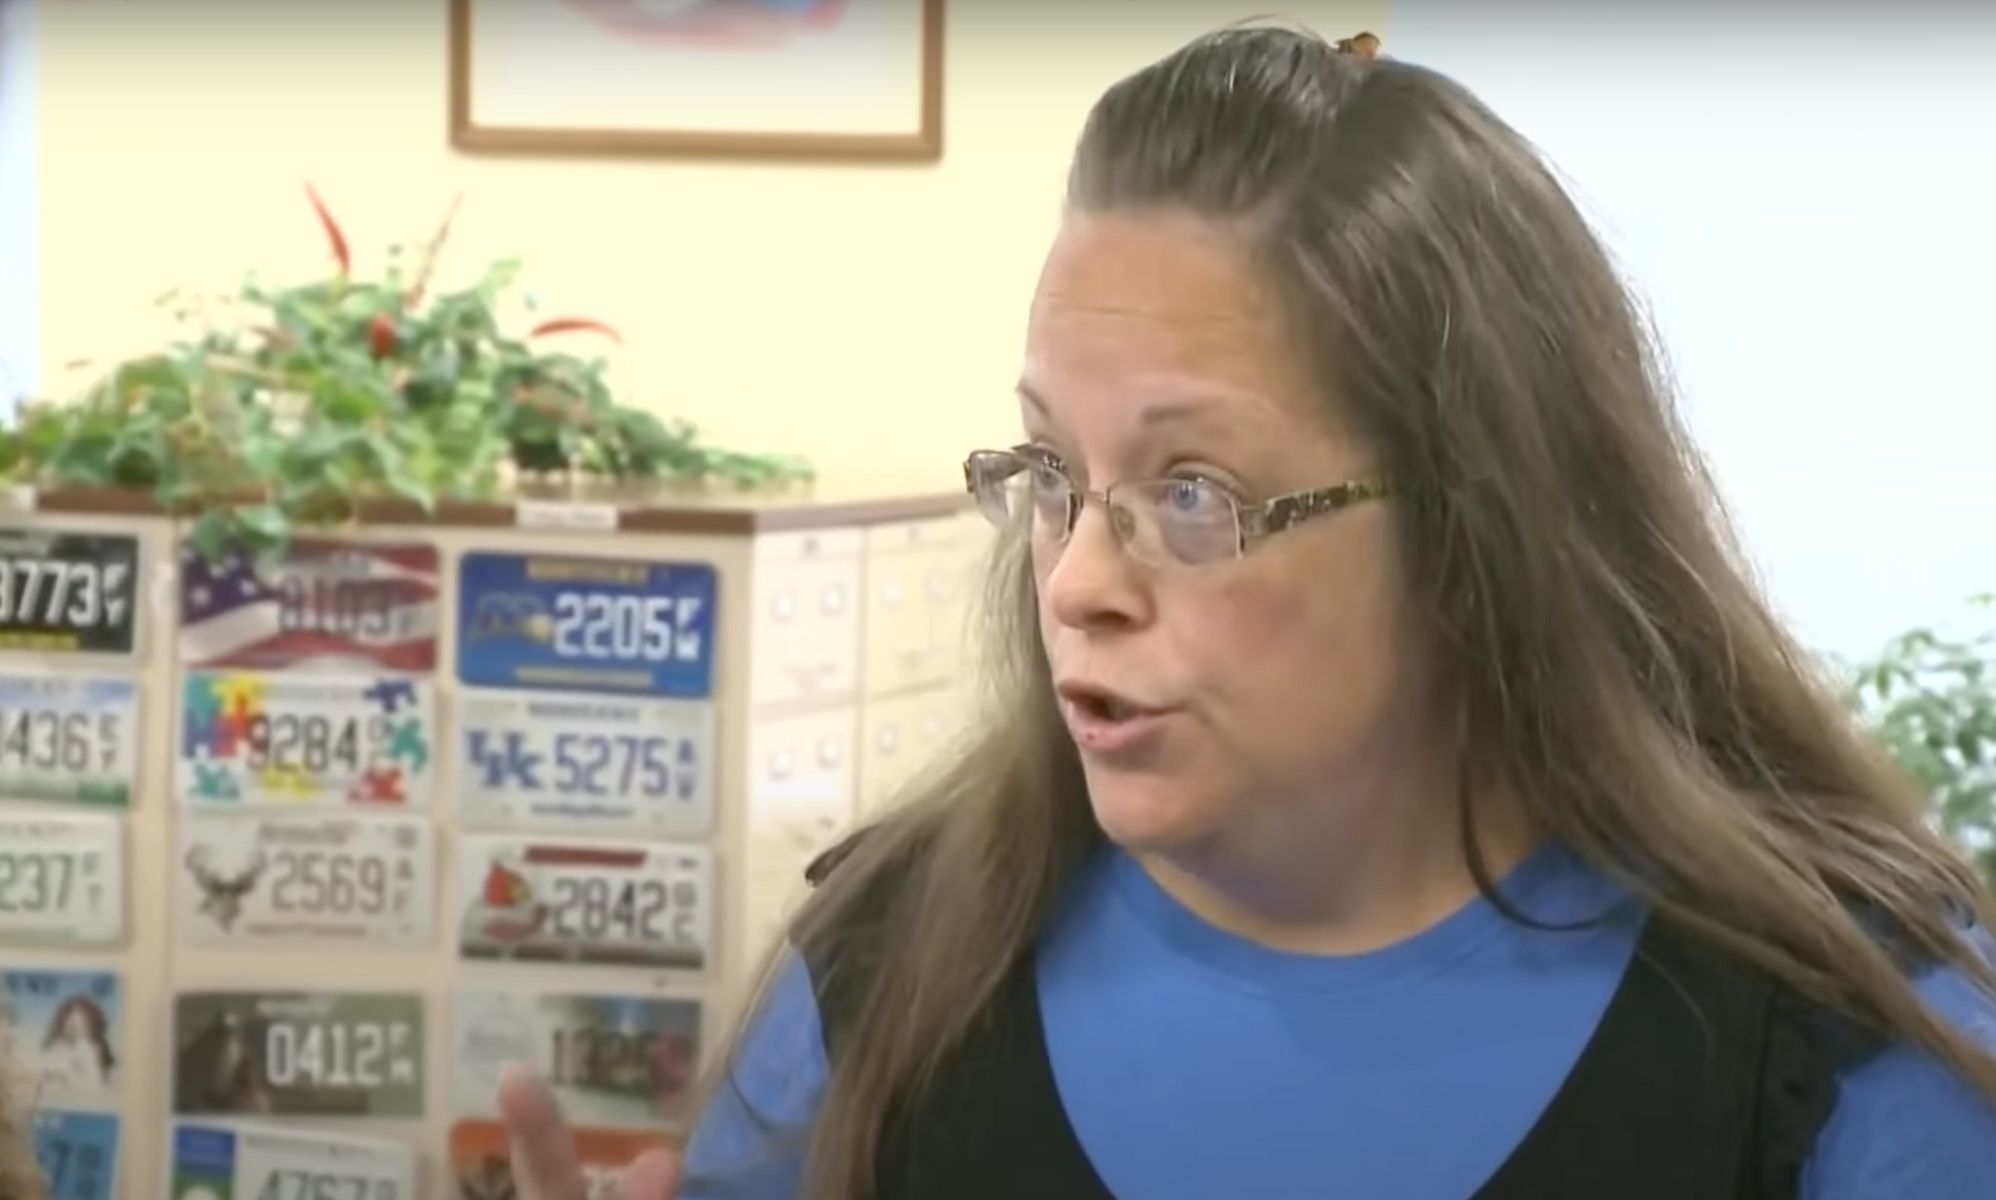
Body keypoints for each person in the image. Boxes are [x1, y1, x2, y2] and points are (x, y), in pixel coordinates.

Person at [501, 24, 1996, 1200]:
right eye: (1050, 471)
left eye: (1196, 495)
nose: (1079, 583)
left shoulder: (1844, 1038)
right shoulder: (889, 973)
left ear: (1474, 523)